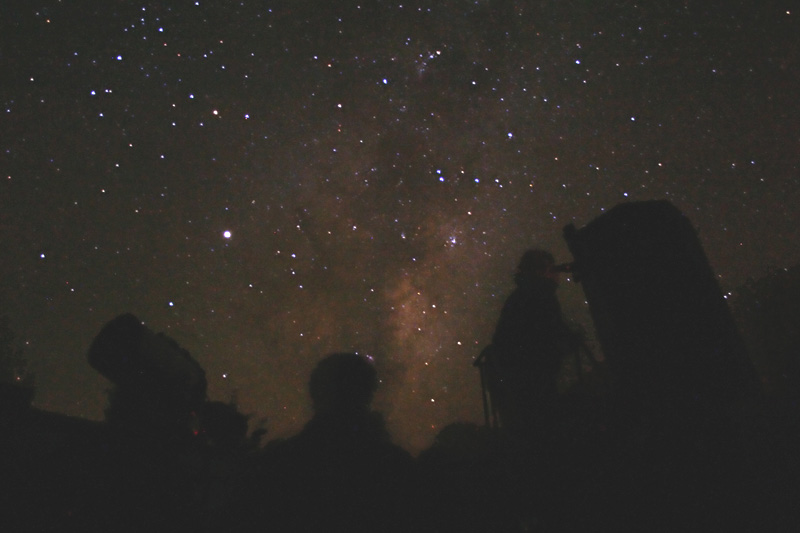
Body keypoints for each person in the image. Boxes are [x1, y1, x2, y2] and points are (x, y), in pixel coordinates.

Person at [487, 249, 581, 439]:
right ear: (542, 271)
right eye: (551, 269)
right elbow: (552, 330)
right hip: (532, 375)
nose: (557, 274)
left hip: (514, 376)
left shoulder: (519, 296)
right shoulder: (542, 293)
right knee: (544, 427)